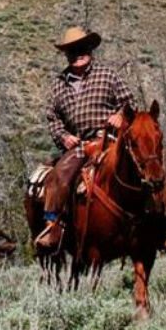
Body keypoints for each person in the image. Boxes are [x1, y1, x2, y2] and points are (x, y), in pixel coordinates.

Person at [37, 25, 133, 250]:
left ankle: (161, 224)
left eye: (82, 48)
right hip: (79, 146)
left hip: (110, 140)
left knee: (144, 168)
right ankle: (53, 226)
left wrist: (120, 115)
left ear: (90, 49)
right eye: (72, 50)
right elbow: (52, 117)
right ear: (66, 54)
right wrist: (63, 137)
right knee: (59, 176)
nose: (78, 54)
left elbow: (129, 102)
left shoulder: (107, 75)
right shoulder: (58, 84)